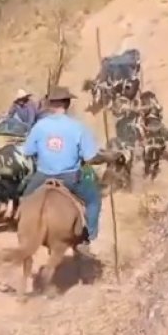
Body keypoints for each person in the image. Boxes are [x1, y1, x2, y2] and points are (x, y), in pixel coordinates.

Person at [20, 86, 121, 255]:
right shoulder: (78, 127)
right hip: (70, 177)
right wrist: (108, 158)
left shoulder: (39, 126)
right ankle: (87, 238)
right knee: (94, 199)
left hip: (42, 176)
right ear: (67, 103)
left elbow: (28, 151)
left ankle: (23, 232)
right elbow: (90, 157)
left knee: (24, 199)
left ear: (50, 105)